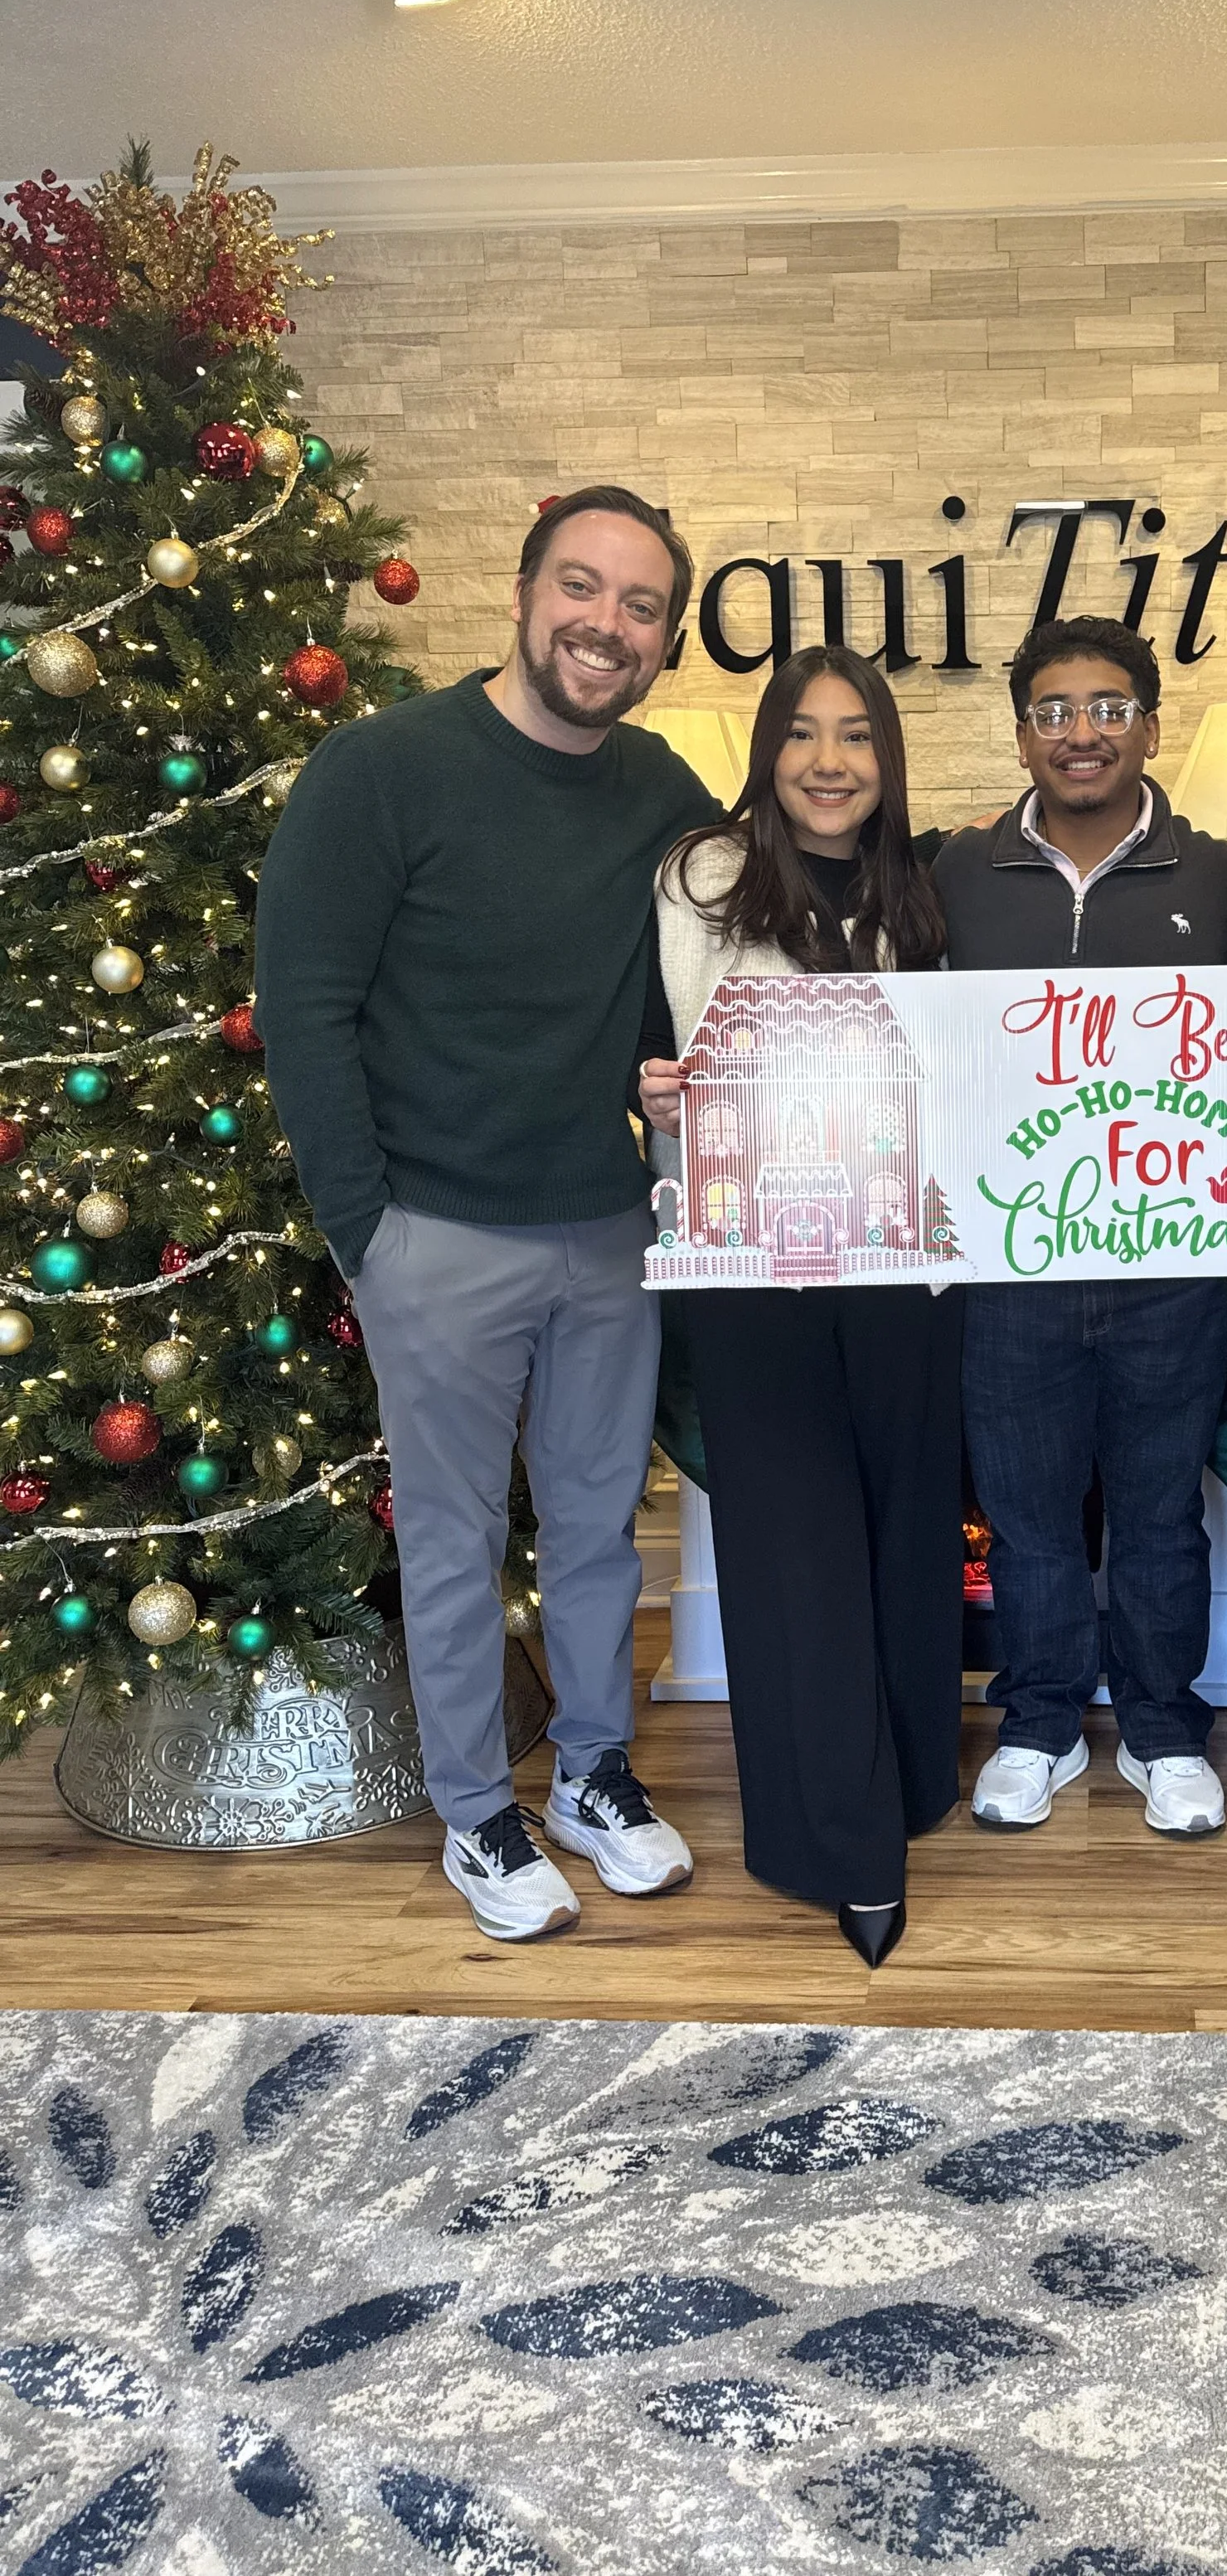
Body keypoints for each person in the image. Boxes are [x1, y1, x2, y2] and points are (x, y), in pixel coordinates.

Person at [257, 488, 718, 1943]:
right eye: (583, 588)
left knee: (595, 1534)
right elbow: (304, 1008)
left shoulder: (663, 798)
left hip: (606, 1226)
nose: (608, 624)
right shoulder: (381, 769)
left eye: (642, 606)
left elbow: (698, 995)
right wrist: (367, 1232)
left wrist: (684, 1082)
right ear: (523, 596)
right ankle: (476, 1817)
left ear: (666, 639)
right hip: (435, 1237)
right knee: (454, 1543)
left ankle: (590, 1775)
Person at [638, 647, 962, 1969]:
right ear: (768, 751)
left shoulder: (920, 896)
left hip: (902, 1262)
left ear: (887, 762)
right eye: (804, 736)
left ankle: (912, 1777)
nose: (831, 762)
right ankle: (843, 1843)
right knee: (799, 1549)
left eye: (859, 738)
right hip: (749, 1263)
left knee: (904, 1530)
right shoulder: (701, 879)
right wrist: (648, 1095)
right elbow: (644, 1040)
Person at [934, 615, 1227, 1837]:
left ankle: (1166, 1729)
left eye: (1109, 707)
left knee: (1163, 1514)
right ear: (1020, 734)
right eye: (1055, 710)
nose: (1083, 732)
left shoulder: (1222, 877)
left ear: (1151, 726)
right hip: (1009, 1266)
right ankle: (1041, 1723)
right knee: (1025, 1515)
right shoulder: (955, 875)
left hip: (1174, 1265)